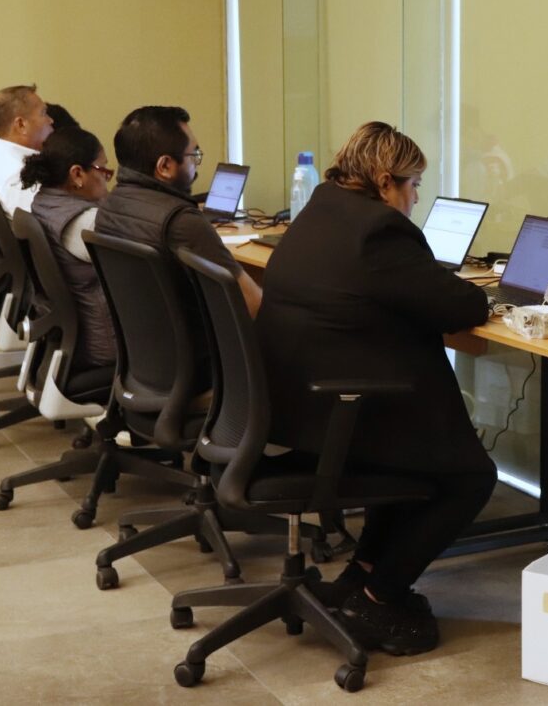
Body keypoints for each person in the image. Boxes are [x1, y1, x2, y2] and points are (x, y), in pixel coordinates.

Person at [256, 121, 495, 656]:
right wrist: (475, 291)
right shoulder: (379, 231)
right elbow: (459, 306)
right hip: (341, 412)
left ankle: (359, 577)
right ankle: (378, 597)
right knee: (470, 477)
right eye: (414, 184)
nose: (416, 198)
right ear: (386, 182)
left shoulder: (321, 208)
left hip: (296, 408)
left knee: (411, 463)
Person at [94, 105, 262, 318]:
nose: (196, 164)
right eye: (194, 155)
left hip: (142, 336)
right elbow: (251, 305)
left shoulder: (108, 206)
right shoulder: (181, 221)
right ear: (164, 166)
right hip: (202, 338)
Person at [19, 127, 116, 369]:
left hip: (82, 336)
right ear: (77, 174)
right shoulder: (85, 224)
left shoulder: (45, 201)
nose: (107, 179)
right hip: (106, 343)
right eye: (103, 170)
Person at [0, 84, 54, 216]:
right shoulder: (19, 180)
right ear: (21, 125)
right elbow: (55, 219)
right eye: (43, 113)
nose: (51, 120)